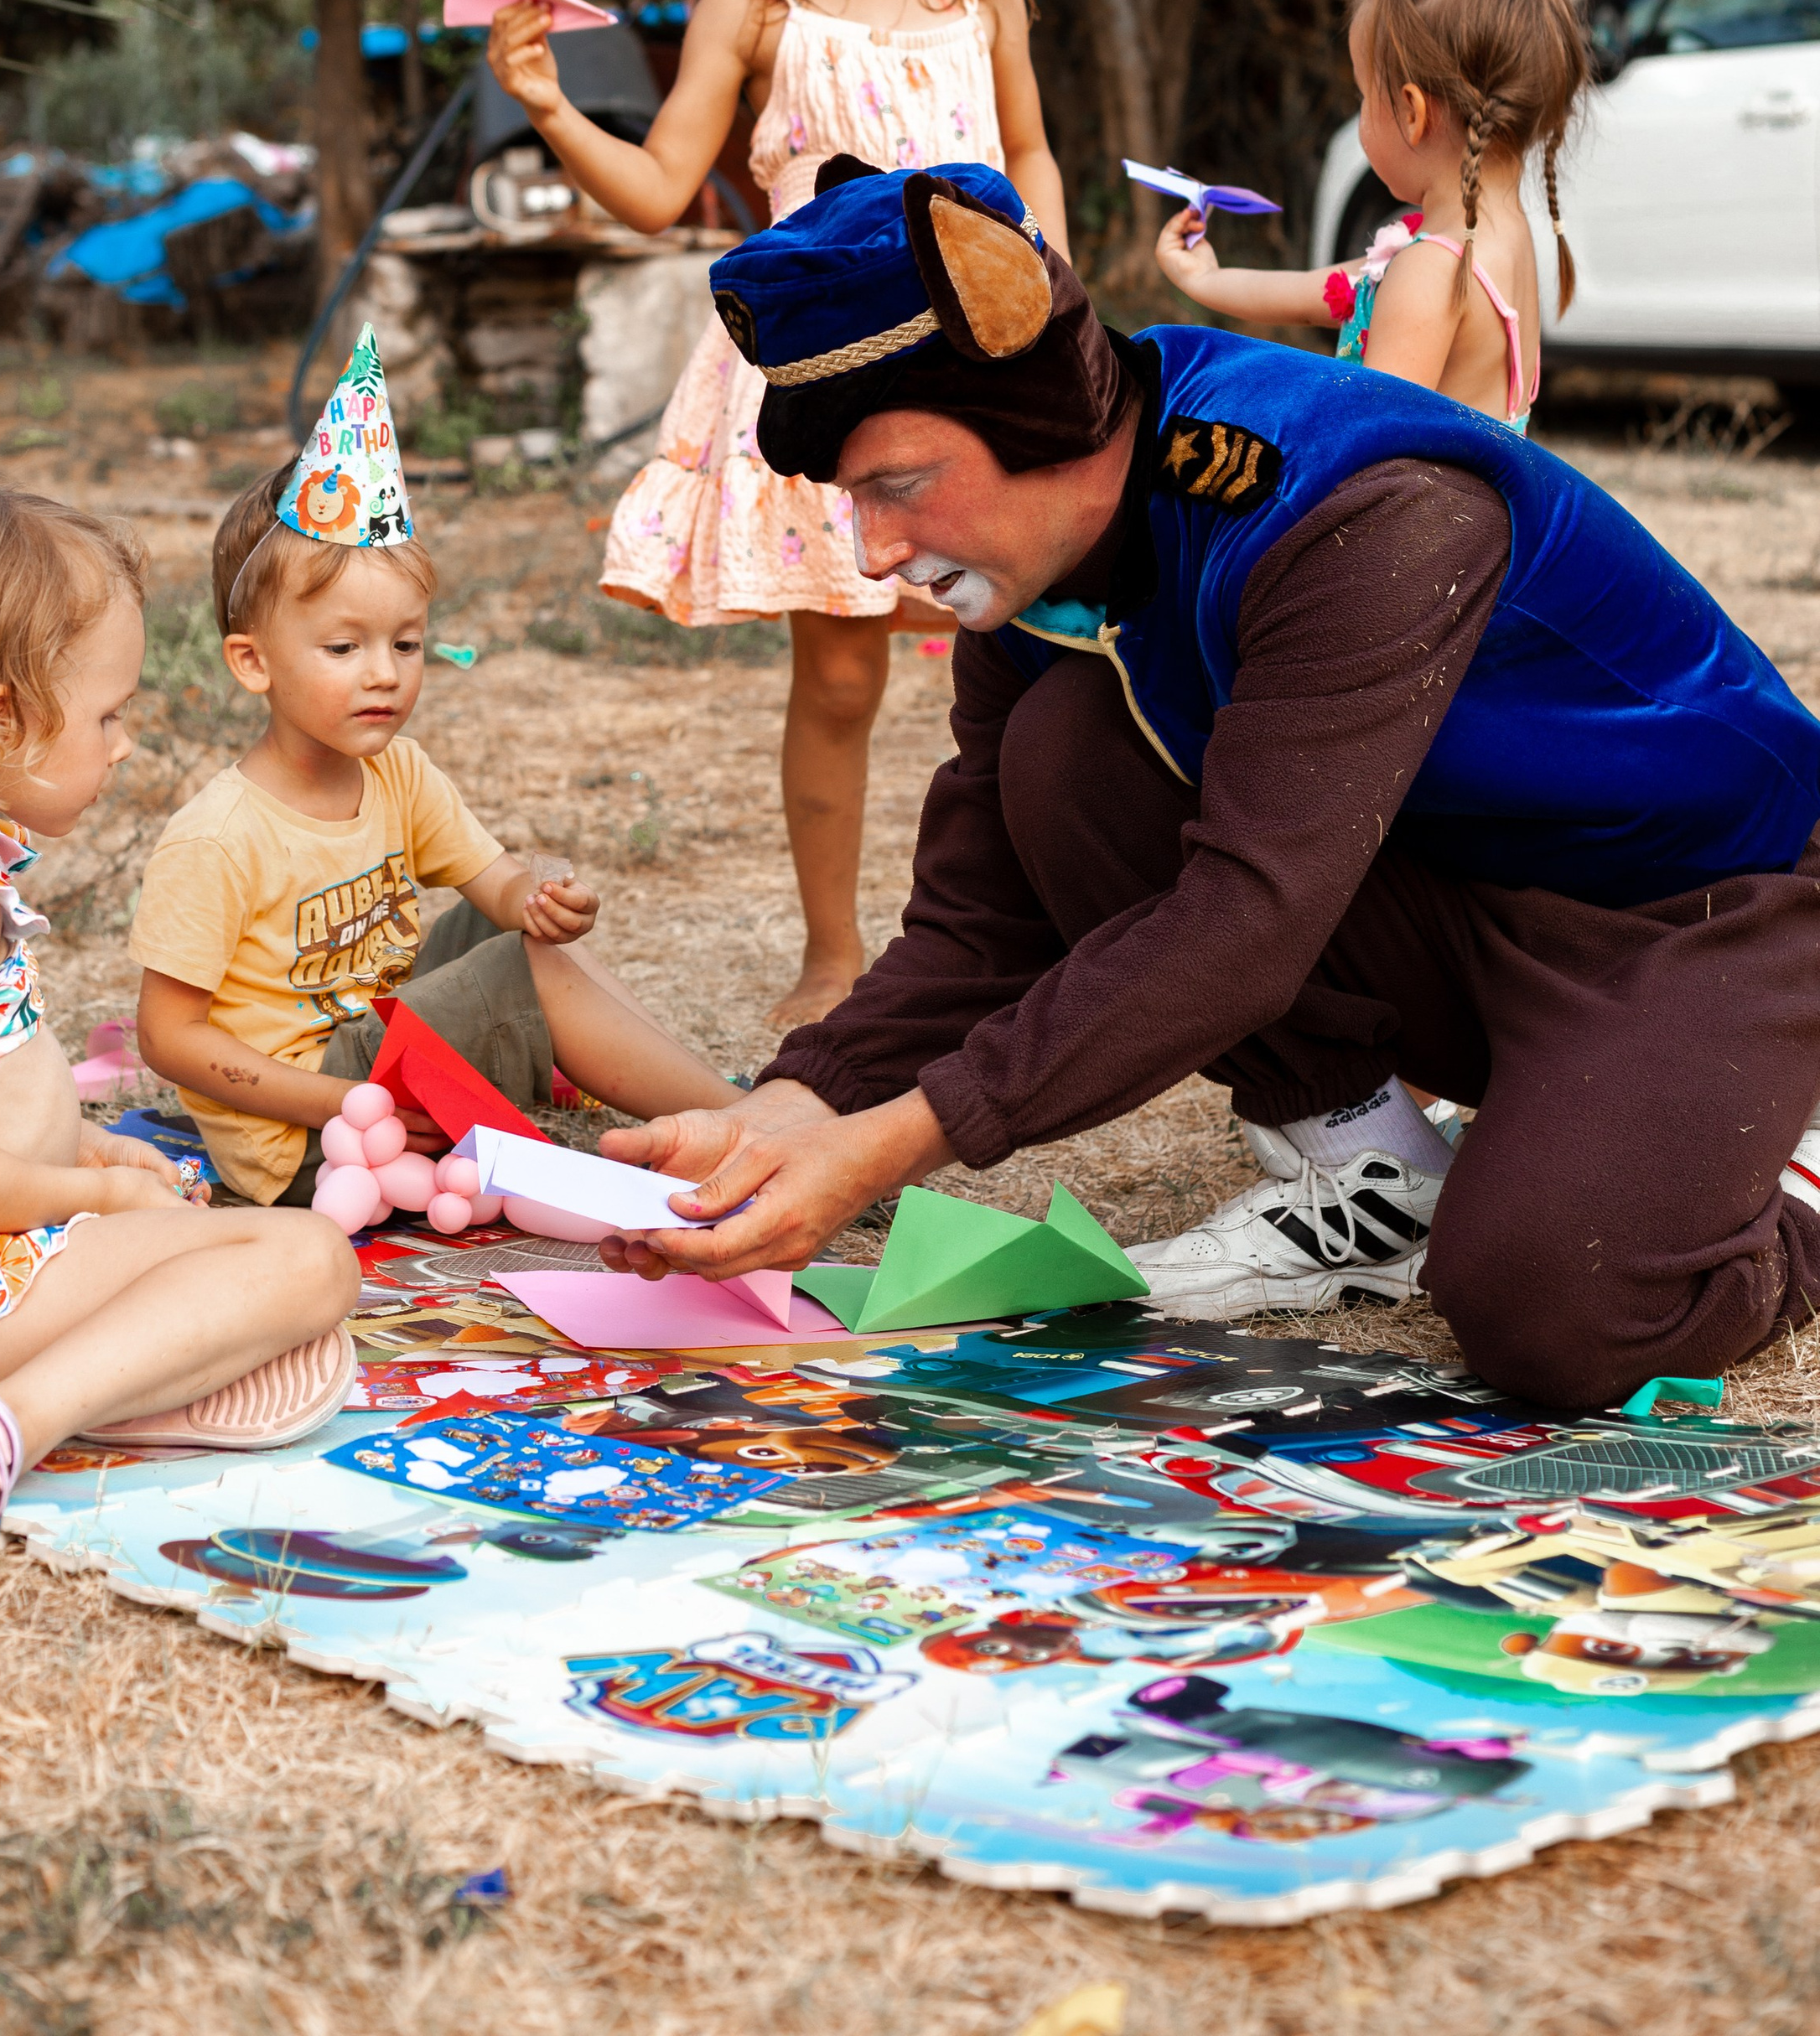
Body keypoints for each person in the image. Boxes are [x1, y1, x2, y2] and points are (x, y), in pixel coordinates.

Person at [588, 158, 1820, 1415]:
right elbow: (984, 920)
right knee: (1065, 749)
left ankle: (1783, 1160)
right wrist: (790, 1113)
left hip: (1701, 914)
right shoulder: (1050, 553)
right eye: (854, 500)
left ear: (1039, 414)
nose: (875, 551)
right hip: (1451, 888)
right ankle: (1376, 1173)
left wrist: (894, 1143)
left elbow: (1248, 918)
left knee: (1553, 1306)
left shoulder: (1356, 504)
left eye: (898, 487)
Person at [485, 0, 1066, 1030]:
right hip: (828, 381)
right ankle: (832, 954)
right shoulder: (755, 9)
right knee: (843, 676)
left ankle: (1011, 935)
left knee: (1023, 654)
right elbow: (659, 189)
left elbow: (1031, 147)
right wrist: (549, 109)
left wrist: (1042, 273)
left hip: (977, 369)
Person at [0, 486, 360, 1546]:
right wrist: (94, 1192)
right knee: (311, 1261)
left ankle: (128, 1385)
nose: (123, 744)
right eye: (108, 716)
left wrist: (87, 1150)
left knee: (199, 1238)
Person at [131, 329, 735, 1202]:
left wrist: (537, 896)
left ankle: (719, 1110)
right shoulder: (218, 838)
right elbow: (169, 1037)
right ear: (253, 662)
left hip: (373, 1061)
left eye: (406, 643)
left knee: (518, 942)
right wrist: (345, 1101)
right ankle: (743, 1128)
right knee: (522, 973)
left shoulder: (399, 774)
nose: (384, 673)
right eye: (344, 647)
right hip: (309, 1130)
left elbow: (495, 884)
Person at [1153, 0, 1591, 433]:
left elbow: (1371, 449)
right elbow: (1315, 292)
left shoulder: (1431, 270)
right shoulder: (1499, 241)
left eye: (1364, 96)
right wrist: (1206, 278)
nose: (1359, 112)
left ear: (1412, 113)